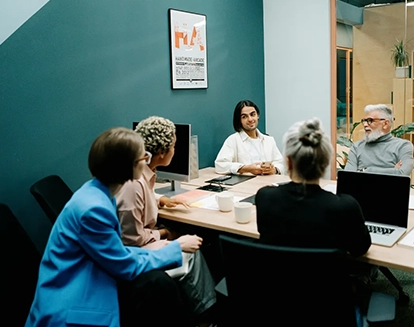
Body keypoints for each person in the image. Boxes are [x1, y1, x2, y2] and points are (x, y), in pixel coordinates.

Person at [25, 127, 203, 327]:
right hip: (71, 305)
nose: (147, 160)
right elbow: (125, 265)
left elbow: (117, 252)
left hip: (85, 275)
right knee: (159, 285)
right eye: (143, 157)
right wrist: (176, 247)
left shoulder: (97, 192)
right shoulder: (94, 209)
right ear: (128, 167)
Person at [255, 118, 371, 325]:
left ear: (288, 162)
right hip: (330, 311)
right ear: (325, 163)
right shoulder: (345, 207)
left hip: (275, 305)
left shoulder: (265, 198)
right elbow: (360, 249)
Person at [116, 116, 217, 327]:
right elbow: (131, 239)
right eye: (173, 146)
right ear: (161, 152)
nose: (175, 150)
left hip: (139, 245)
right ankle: (205, 317)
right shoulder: (133, 182)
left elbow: (143, 198)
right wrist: (164, 234)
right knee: (193, 250)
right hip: (132, 255)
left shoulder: (141, 171)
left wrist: (161, 199)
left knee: (188, 241)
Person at [214, 99, 284, 175]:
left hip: (269, 183)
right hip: (246, 185)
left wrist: (275, 170)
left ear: (258, 115)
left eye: (252, 114)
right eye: (244, 117)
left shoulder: (269, 140)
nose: (250, 119)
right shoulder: (233, 140)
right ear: (239, 120)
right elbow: (220, 165)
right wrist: (245, 169)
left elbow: (281, 163)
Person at [345, 104, 414, 176]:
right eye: (364, 121)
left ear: (385, 124)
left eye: (370, 120)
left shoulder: (403, 146)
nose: (365, 124)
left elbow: (402, 173)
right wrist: (392, 171)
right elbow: (348, 176)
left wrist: (365, 170)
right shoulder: (357, 147)